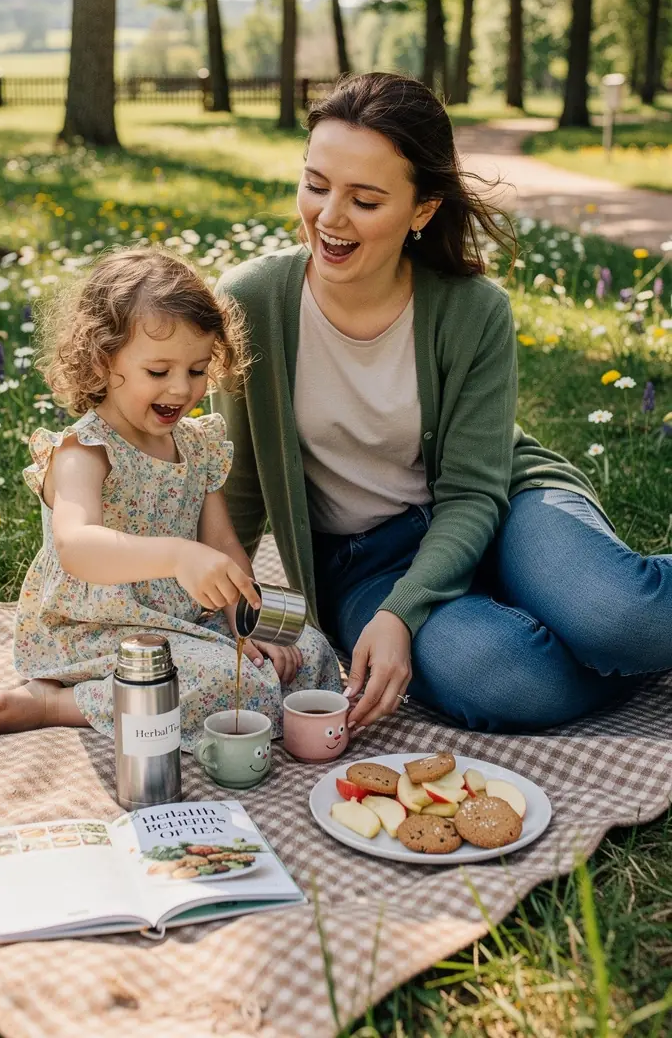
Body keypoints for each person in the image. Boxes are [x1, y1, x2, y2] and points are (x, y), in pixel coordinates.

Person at [213, 71, 672, 735]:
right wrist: (239, 623)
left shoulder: (473, 310)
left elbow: (473, 494)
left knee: (617, 616)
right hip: (364, 564)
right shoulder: (253, 300)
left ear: (422, 209)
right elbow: (240, 494)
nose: (330, 217)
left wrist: (404, 617)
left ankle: (605, 635)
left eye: (365, 200)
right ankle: (606, 652)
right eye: (316, 184)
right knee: (501, 673)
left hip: (505, 505)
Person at [0, 249, 341, 748]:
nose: (182, 388)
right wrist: (177, 555)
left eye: (197, 369)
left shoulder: (197, 444)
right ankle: (59, 701)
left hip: (184, 621)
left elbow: (225, 544)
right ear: (102, 363)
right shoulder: (85, 451)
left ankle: (248, 689)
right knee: (222, 683)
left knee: (309, 650)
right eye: (159, 371)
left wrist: (247, 622)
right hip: (99, 629)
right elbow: (77, 546)